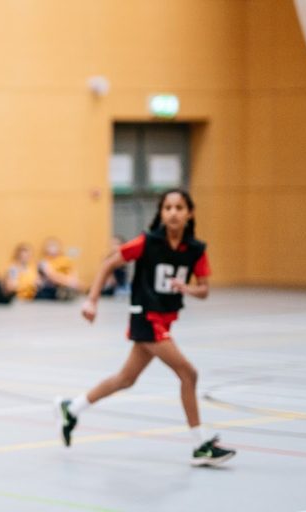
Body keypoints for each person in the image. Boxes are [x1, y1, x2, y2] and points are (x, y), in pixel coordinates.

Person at [56, 189, 237, 467]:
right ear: (161, 213)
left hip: (164, 319)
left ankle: (73, 407)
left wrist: (186, 287)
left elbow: (204, 290)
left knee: (126, 379)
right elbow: (108, 263)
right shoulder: (148, 242)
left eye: (179, 207)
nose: (173, 212)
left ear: (189, 213)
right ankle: (200, 444)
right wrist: (92, 301)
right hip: (145, 317)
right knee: (188, 373)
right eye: (168, 208)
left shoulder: (196, 250)